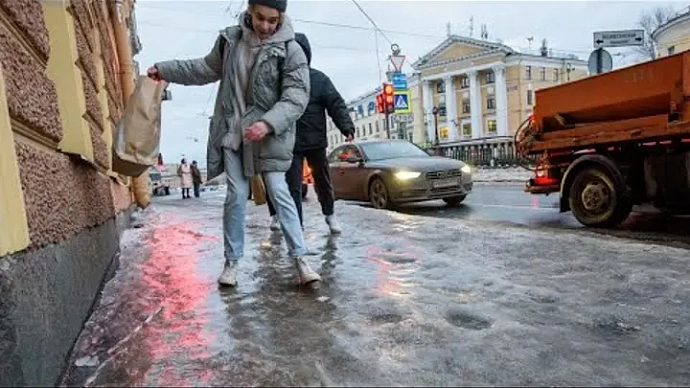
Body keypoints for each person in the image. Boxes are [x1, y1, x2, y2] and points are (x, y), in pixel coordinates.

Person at [146, 0, 321, 287]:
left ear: (281, 17)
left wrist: (267, 123)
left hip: (270, 136)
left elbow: (296, 96)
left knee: (279, 191)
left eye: (272, 20)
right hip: (233, 133)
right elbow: (203, 68)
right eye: (260, 18)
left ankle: (301, 259)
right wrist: (165, 70)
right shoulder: (230, 41)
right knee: (236, 196)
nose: (266, 26)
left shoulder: (291, 49)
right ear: (250, 11)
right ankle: (232, 263)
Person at [265, 32, 355, 234]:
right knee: (292, 186)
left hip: (315, 141)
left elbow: (336, 103)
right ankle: (297, 226)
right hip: (290, 143)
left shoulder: (319, 79)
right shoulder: (278, 81)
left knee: (322, 181)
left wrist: (346, 126)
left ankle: (330, 215)